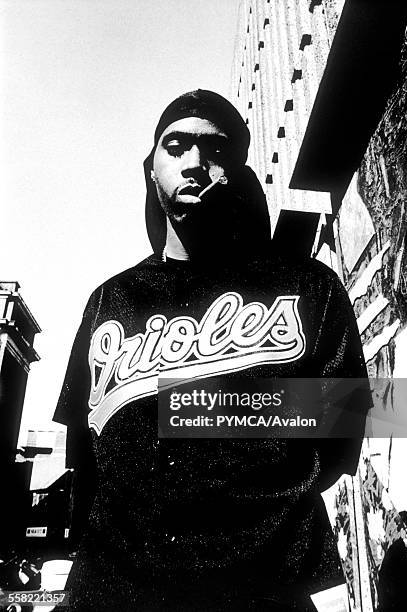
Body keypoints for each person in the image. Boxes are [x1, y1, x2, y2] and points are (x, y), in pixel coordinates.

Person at [54, 90, 370, 611]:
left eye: (216, 149)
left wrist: (197, 410)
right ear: (151, 168)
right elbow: (84, 459)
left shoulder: (306, 285)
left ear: (239, 166)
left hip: (263, 590)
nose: (195, 163)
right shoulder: (110, 300)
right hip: (113, 592)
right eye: (175, 146)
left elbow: (354, 419)